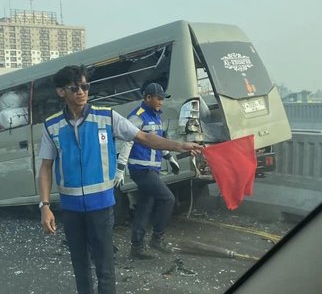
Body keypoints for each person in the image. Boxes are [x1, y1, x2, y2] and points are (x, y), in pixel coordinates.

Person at [38, 65, 202, 294]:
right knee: (80, 266)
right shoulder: (51, 126)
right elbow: (45, 167)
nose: (81, 92)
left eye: (85, 86)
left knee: (105, 266)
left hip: (102, 206)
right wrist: (45, 206)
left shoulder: (106, 117)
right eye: (74, 88)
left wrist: (179, 146)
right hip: (71, 209)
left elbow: (144, 137)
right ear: (61, 92)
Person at [116, 83, 180, 260]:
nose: (161, 102)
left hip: (152, 169)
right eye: (158, 98)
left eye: (162, 99)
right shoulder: (138, 117)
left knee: (144, 207)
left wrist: (170, 158)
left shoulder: (156, 117)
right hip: (141, 169)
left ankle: (136, 248)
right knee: (168, 199)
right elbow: (126, 142)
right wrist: (120, 169)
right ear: (147, 98)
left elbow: (158, 141)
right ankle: (157, 238)